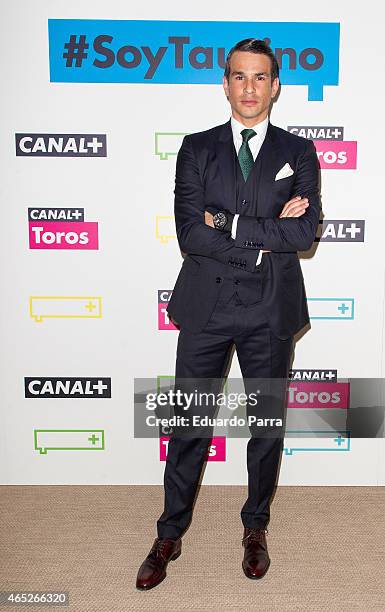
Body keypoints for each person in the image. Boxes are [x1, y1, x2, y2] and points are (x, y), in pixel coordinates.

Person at [136, 38, 320, 590]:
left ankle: (256, 527)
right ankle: (170, 532)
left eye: (260, 78)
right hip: (207, 305)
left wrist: (232, 226)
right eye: (239, 77)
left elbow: (304, 233)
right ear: (225, 82)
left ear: (275, 85)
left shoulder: (300, 150)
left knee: (264, 426)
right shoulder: (196, 148)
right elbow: (192, 234)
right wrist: (266, 234)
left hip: (271, 304)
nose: (249, 88)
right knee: (189, 421)